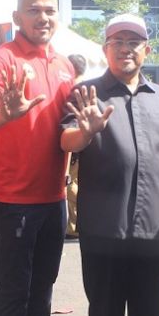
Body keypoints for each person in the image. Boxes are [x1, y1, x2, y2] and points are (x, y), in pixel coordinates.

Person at [60, 13, 159, 316]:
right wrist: (87, 132)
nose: (125, 48)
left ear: (147, 50)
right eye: (117, 42)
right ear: (106, 49)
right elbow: (66, 139)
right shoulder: (85, 93)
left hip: (157, 230)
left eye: (134, 42)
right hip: (104, 230)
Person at [0, 0, 74, 316]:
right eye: (34, 10)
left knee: (43, 290)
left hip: (53, 200)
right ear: (17, 17)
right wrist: (4, 114)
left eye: (49, 10)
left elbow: (68, 127)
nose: (43, 17)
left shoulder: (63, 66)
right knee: (14, 293)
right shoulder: (1, 59)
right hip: (12, 201)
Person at [65, 53, 87, 239]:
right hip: (85, 147)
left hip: (75, 149)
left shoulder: (74, 90)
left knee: (71, 184)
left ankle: (75, 225)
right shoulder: (90, 87)